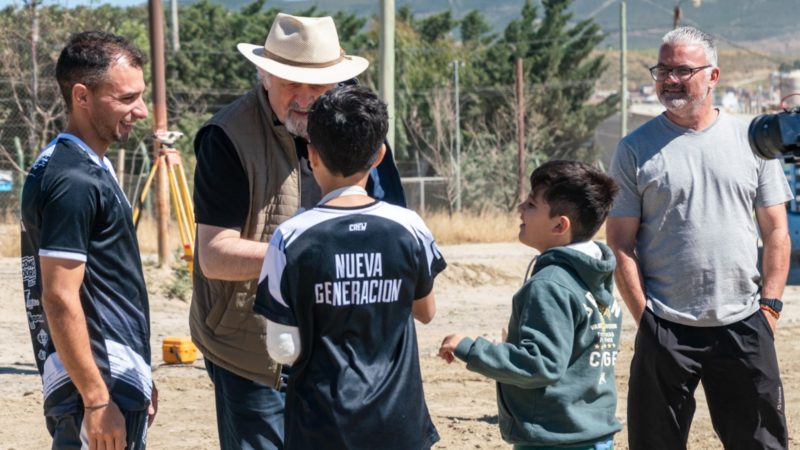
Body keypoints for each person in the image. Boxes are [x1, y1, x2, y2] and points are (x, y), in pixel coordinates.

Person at [190, 13, 406, 450]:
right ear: (265, 74)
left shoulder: (355, 127)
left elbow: (392, 228)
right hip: (252, 348)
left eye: (319, 86)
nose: (305, 98)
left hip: (343, 349)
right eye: (291, 82)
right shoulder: (227, 136)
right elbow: (214, 256)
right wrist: (307, 257)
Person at [607, 26, 791, 450]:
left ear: (713, 76)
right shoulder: (634, 149)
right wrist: (646, 320)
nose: (670, 79)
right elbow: (619, 241)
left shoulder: (752, 141)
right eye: (662, 70)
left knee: (761, 444)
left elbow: (776, 230)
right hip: (665, 328)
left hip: (745, 323)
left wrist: (770, 308)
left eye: (682, 70)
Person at [252, 84, 444, 450]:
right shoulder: (410, 226)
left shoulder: (290, 236)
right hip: (398, 421)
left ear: (311, 155)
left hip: (321, 425)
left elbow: (283, 348)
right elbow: (426, 311)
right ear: (379, 156)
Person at [19, 31, 156, 449]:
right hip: (95, 387)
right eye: (127, 98)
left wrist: (140, 374)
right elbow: (59, 297)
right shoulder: (73, 179)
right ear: (81, 96)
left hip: (109, 377)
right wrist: (97, 400)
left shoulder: (79, 165)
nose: (143, 111)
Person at [439, 160, 621, 450]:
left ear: (560, 225)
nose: (520, 208)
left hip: (554, 439)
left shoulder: (550, 284)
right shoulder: (595, 274)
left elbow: (541, 364)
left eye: (531, 204)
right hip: (592, 434)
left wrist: (471, 349)